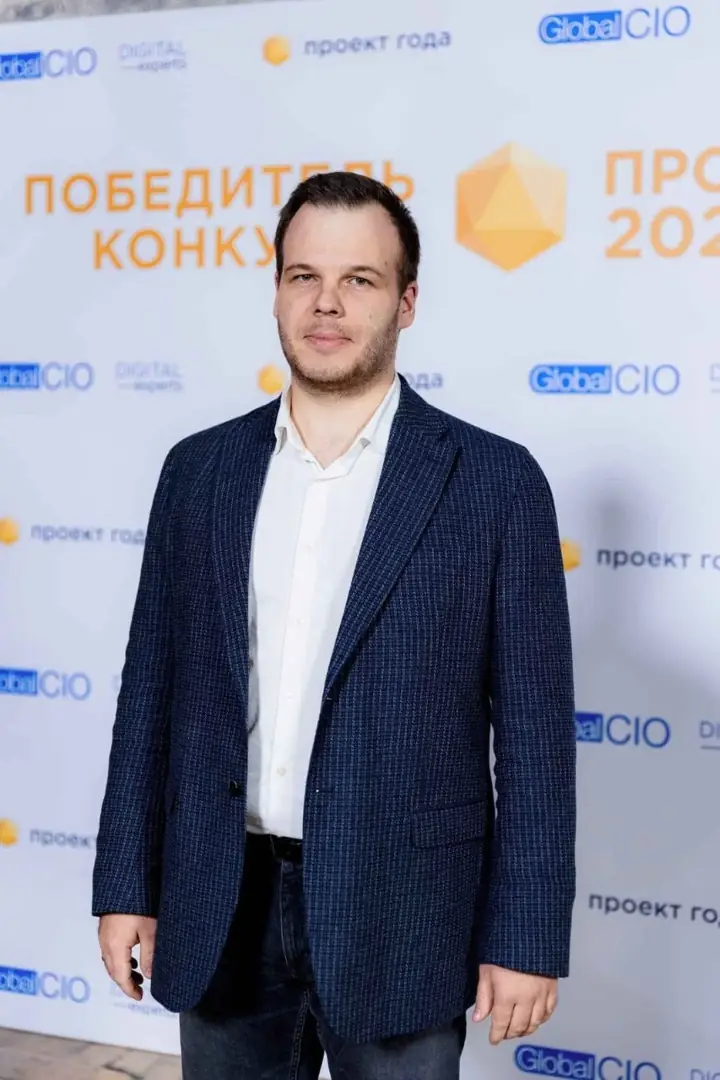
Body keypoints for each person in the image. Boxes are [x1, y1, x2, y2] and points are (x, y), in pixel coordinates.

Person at [92, 170, 576, 1080]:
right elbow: (148, 693)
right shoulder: (197, 471)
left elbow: (537, 739)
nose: (326, 303)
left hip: (405, 910)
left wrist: (527, 935)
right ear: (277, 290)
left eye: (359, 279)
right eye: (303, 276)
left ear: (407, 301)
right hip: (221, 901)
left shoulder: (494, 482)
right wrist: (126, 883)